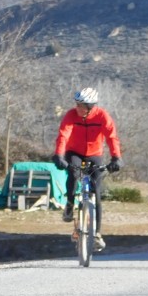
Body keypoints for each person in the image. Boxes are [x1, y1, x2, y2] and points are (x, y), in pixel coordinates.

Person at [52, 87, 122, 251]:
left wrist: (116, 158)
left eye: (82, 106)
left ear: (91, 106)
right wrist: (59, 155)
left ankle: (97, 234)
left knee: (96, 193)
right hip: (74, 152)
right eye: (77, 105)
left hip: (94, 154)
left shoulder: (102, 116)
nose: (78, 108)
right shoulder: (71, 115)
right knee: (74, 174)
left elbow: (112, 137)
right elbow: (63, 135)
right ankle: (69, 205)